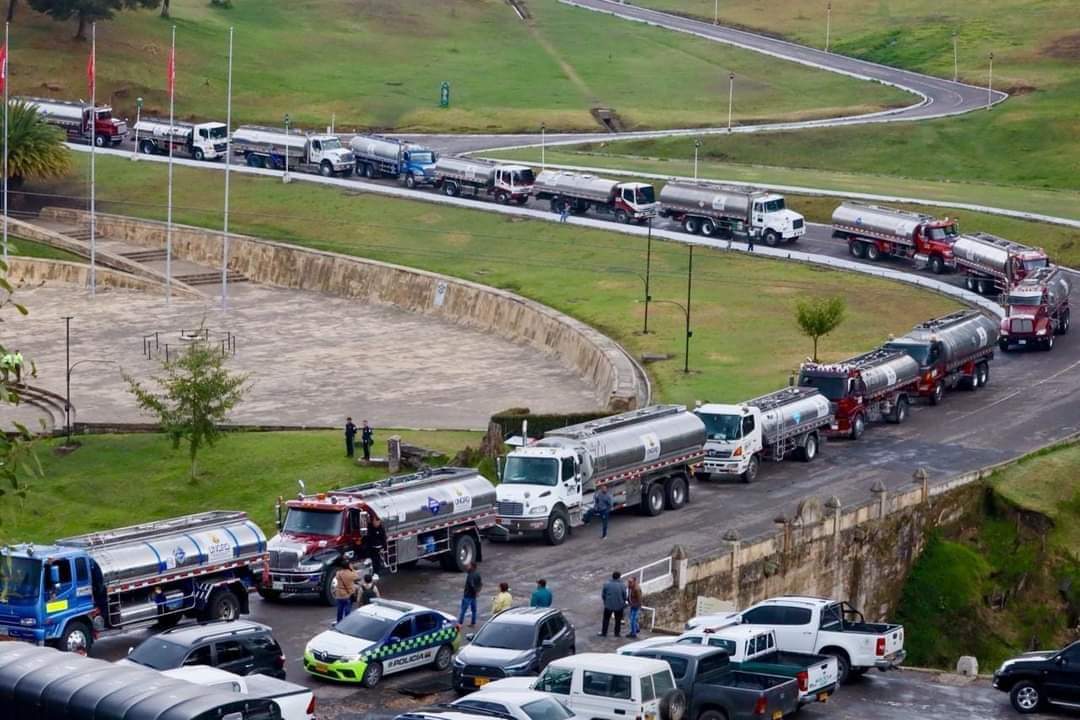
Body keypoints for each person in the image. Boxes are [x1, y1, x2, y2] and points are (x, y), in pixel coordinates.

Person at [599, 571, 627, 638]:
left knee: (606, 619)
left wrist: (606, 602)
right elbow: (625, 596)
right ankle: (617, 633)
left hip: (608, 605)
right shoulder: (622, 585)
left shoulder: (607, 584)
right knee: (618, 620)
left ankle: (604, 632)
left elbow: (603, 595)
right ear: (619, 577)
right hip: (619, 606)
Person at [333, 557, 359, 623]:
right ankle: (347, 623)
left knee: (340, 609)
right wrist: (352, 568)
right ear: (348, 566)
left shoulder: (338, 573)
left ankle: (339, 622)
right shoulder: (351, 574)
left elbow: (336, 576)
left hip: (339, 594)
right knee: (347, 610)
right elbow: (357, 577)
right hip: (348, 594)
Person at [458, 562, 482, 626]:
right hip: (473, 596)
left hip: (468, 595)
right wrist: (477, 591)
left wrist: (475, 591)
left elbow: (472, 585)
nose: (467, 566)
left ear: (472, 567)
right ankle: (473, 622)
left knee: (463, 610)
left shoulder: (470, 575)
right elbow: (480, 584)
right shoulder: (477, 574)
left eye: (468, 566)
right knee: (474, 610)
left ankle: (460, 623)